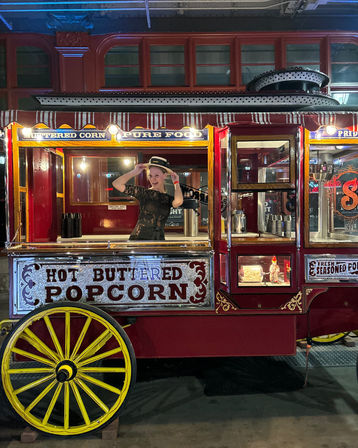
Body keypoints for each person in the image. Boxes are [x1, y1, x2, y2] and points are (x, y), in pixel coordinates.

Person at [112, 156, 183, 240]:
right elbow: (116, 184)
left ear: (164, 175)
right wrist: (134, 172)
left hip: (158, 240)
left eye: (157, 175)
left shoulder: (167, 198)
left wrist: (176, 183)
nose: (153, 179)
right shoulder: (144, 193)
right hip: (139, 239)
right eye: (150, 176)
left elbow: (178, 202)